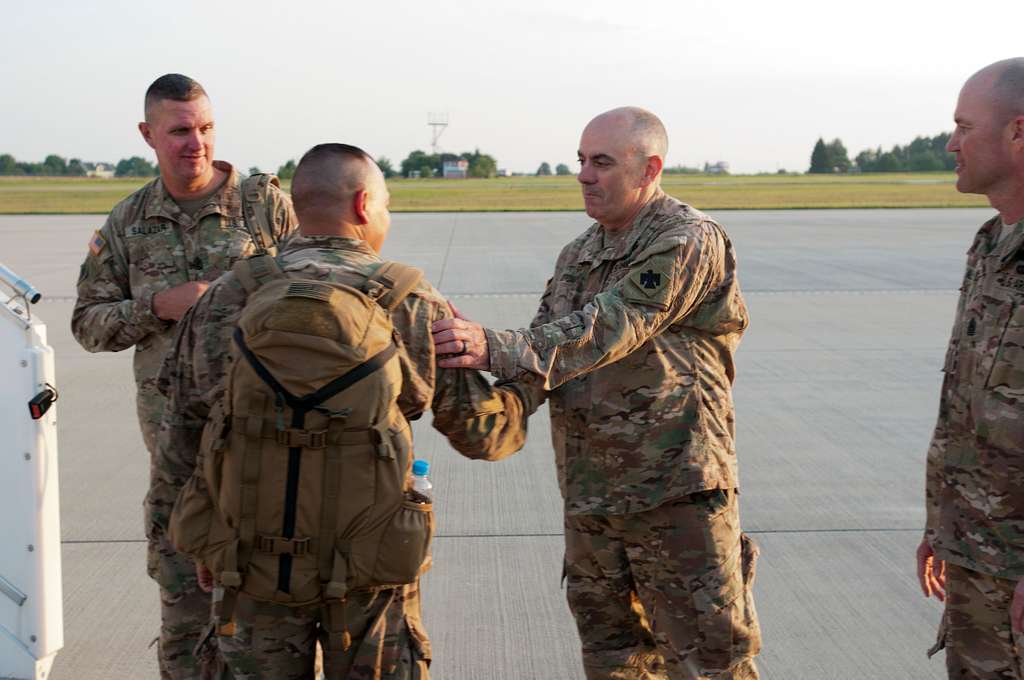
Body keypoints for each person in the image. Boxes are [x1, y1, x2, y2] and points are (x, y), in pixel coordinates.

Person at [149, 143, 534, 679]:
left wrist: (199, 545)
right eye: (386, 204)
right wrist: (528, 380)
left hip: (252, 569)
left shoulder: (227, 297)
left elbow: (180, 443)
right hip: (369, 575)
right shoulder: (409, 299)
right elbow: (484, 434)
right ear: (362, 205)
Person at [432, 107, 761, 679]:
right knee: (615, 664)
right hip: (593, 504)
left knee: (707, 664)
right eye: (581, 160)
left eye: (602, 162)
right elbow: (537, 361)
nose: (584, 175)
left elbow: (606, 329)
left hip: (674, 497)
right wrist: (459, 370)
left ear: (648, 168)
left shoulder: (688, 241)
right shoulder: (578, 255)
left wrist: (493, 344)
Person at [71, 73, 297, 679]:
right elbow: (86, 322)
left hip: (267, 451)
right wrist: (156, 307)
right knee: (185, 628)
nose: (195, 143)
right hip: (177, 460)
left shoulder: (263, 205)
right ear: (148, 135)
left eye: (204, 128)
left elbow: (322, 290)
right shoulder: (129, 221)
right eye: (178, 131)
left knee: (275, 629)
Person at [916, 58, 1024, 678]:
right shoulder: (991, 243)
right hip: (979, 556)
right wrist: (943, 525)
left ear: (1018, 132)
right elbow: (965, 400)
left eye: (964, 126)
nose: (952, 143)